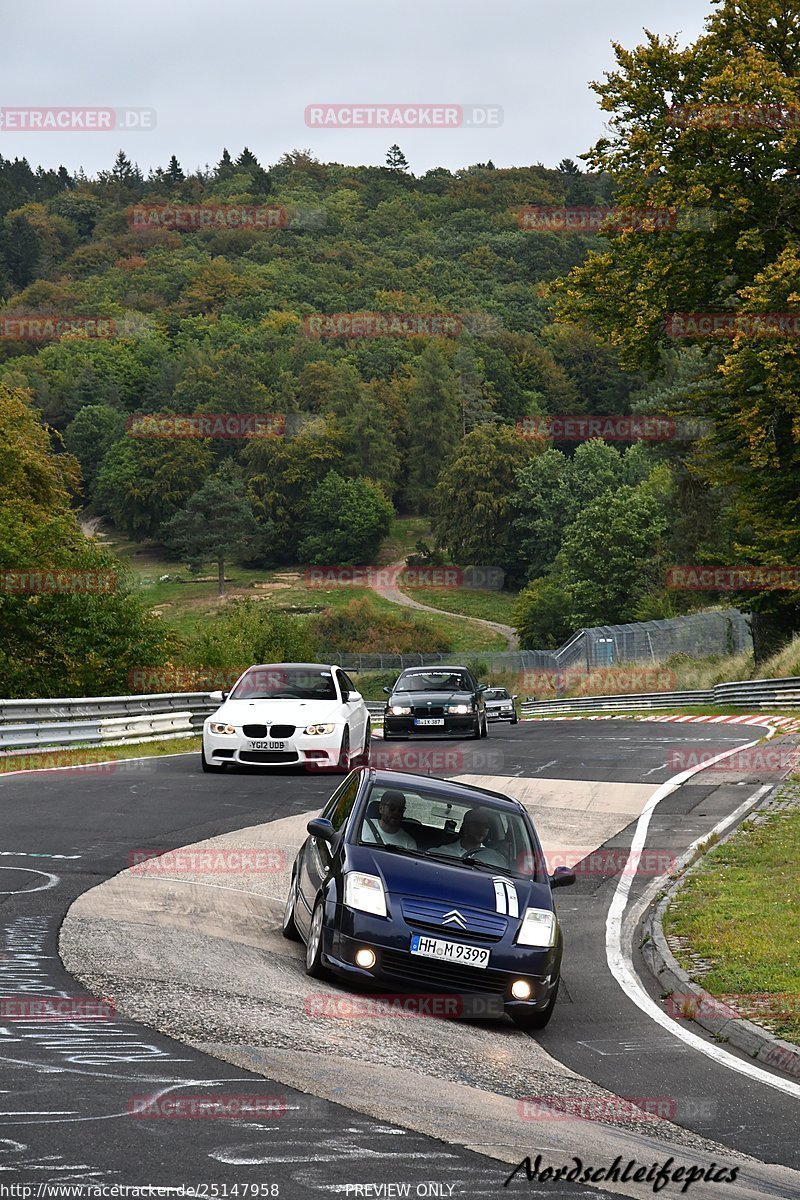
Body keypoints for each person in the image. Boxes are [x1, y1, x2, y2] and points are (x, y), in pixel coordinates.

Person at [430, 807, 507, 868]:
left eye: (486, 826)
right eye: (477, 824)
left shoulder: (494, 858)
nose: (482, 829)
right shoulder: (443, 852)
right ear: (465, 826)